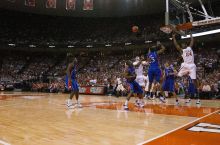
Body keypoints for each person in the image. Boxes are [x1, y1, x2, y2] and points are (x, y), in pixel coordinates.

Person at [172, 33, 200, 104]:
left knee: (194, 81)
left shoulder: (189, 48)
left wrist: (191, 36)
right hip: (185, 65)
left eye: (183, 44)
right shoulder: (182, 51)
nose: (182, 45)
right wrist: (174, 38)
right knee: (178, 75)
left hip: (192, 65)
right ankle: (178, 72)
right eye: (182, 45)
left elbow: (192, 42)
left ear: (186, 45)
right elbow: (176, 45)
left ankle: (198, 98)